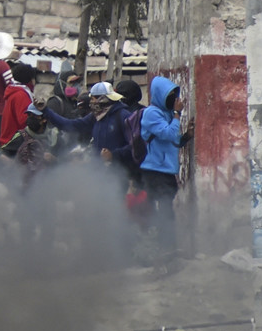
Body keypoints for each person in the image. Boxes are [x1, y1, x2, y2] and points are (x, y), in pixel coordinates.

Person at [139, 77, 193, 253]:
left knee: (166, 209)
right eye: (170, 95)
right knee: (162, 211)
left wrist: (186, 136)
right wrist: (177, 115)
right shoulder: (151, 113)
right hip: (154, 170)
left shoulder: (166, 113)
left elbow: (174, 140)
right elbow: (168, 134)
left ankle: (166, 248)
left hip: (166, 169)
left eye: (174, 95)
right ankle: (162, 249)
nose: (174, 99)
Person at [36, 81, 134, 172]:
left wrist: (113, 155)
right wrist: (46, 111)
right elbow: (70, 125)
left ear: (103, 98)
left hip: (120, 174)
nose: (91, 102)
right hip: (100, 174)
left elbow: (134, 146)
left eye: (93, 98)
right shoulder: (96, 116)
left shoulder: (123, 116)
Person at [0, 64, 38, 147]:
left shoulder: (16, 91)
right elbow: (24, 121)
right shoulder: (21, 95)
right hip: (14, 143)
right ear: (30, 79)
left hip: (10, 140)